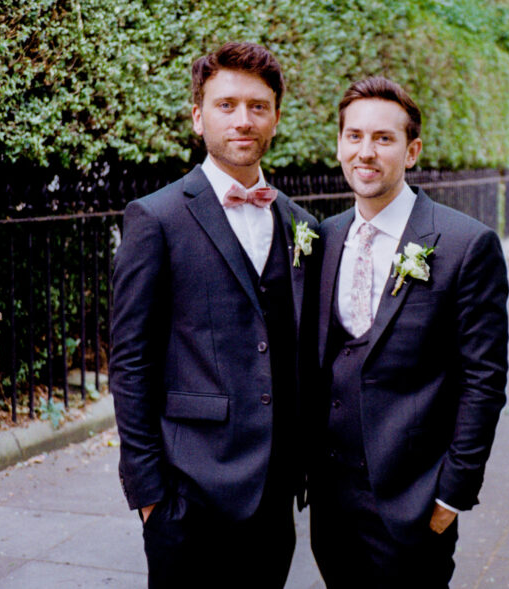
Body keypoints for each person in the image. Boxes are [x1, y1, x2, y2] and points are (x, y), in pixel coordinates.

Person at [109, 41, 318, 588]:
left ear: (276, 117)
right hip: (187, 496)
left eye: (257, 105)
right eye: (226, 105)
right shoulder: (155, 218)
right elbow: (130, 364)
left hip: (274, 498)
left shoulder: (301, 223)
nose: (243, 120)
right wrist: (151, 496)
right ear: (198, 116)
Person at [310, 76, 509, 588]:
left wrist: (451, 495)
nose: (365, 152)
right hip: (331, 502)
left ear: (412, 150)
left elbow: (483, 380)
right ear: (339, 145)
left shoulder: (467, 244)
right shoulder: (325, 238)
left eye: (383, 138)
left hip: (412, 501)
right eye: (353, 136)